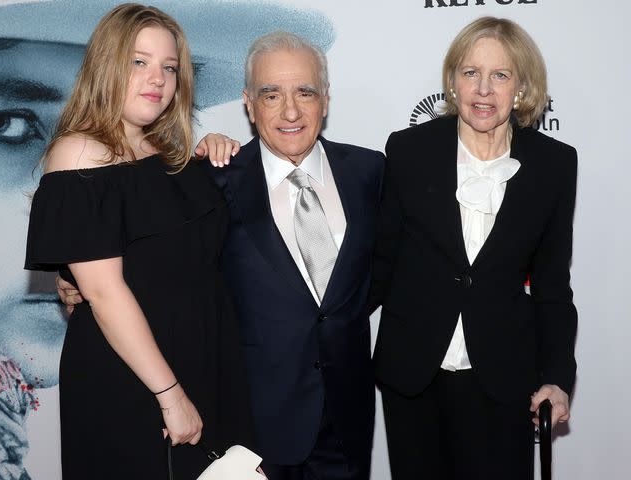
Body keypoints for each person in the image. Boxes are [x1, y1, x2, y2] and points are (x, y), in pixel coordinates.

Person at [23, 4, 253, 479]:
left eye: (169, 67)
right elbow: (105, 293)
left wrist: (211, 153)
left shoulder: (168, 154)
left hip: (202, 357)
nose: (158, 78)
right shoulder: (79, 154)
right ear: (106, 64)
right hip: (136, 378)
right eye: (138, 61)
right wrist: (170, 396)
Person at [370, 16, 578, 479]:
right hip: (413, 377)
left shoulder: (554, 165)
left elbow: (552, 286)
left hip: (504, 380)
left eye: (500, 75)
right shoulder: (408, 151)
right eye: (470, 73)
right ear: (452, 82)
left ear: (521, 88)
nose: (484, 89)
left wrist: (558, 377)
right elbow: (380, 264)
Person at [198, 32, 384, 479]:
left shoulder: (370, 171)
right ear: (248, 102)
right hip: (252, 428)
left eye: (305, 91)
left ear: (325, 99)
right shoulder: (210, 182)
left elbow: (394, 270)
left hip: (348, 419)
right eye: (271, 94)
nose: (291, 111)